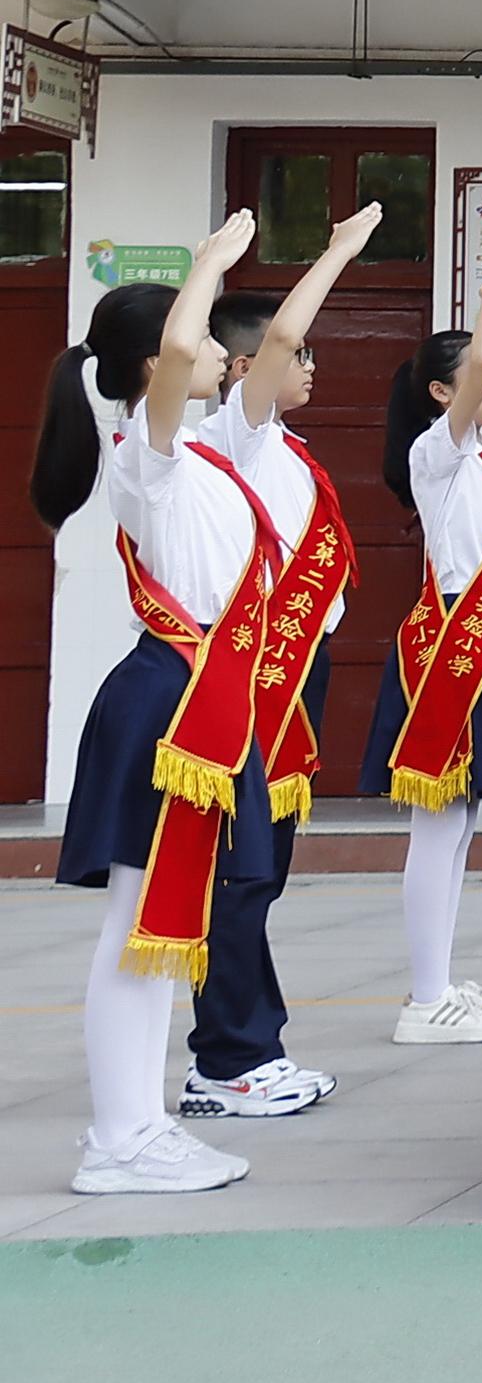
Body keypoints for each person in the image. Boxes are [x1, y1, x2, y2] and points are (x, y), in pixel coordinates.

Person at [38, 210, 274, 1193]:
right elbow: (183, 344)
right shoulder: (149, 448)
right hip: (166, 704)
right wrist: (209, 263)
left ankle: (138, 1127)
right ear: (152, 368)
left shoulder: (208, 451)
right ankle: (118, 1138)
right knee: (138, 925)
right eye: (214, 337)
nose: (225, 351)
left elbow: (252, 357)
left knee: (161, 930)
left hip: (192, 700)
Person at [179, 205, 384, 1120]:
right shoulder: (240, 431)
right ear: (248, 365)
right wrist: (337, 252)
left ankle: (247, 1046)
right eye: (296, 356)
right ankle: (229, 1057)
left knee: (264, 867)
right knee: (245, 868)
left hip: (298, 672)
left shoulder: (282, 447)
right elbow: (287, 332)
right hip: (257, 675)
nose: (308, 364)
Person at [367, 264, 482, 1045]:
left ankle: (435, 984)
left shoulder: (481, 456)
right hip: (445, 655)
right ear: (442, 393)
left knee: (460, 826)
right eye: (471, 375)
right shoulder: (439, 451)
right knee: (437, 828)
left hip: (475, 649)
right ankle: (425, 998)